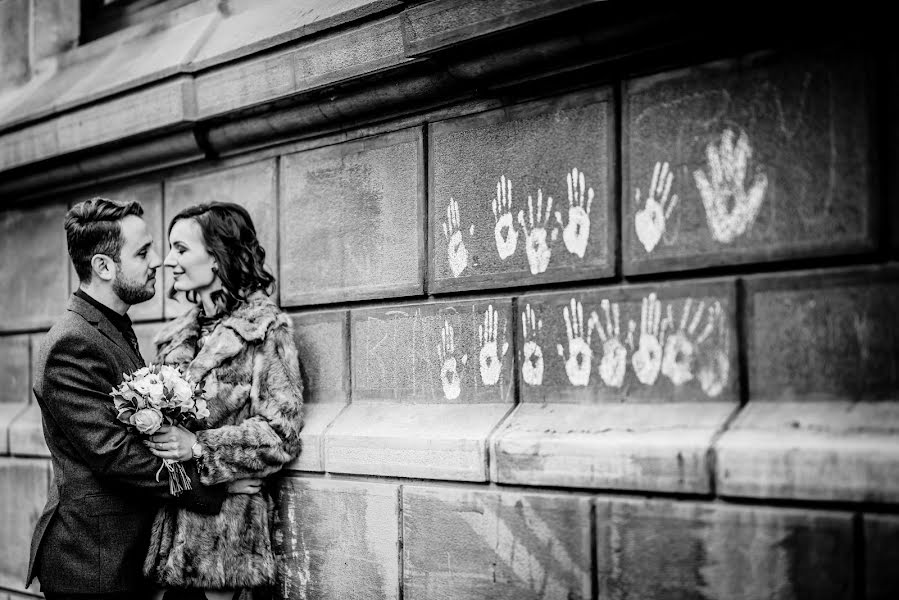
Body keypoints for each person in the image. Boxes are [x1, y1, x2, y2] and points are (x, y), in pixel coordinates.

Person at [28, 197, 257, 600]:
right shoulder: (71, 343)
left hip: (128, 558)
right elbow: (117, 455)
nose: (159, 261)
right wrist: (216, 485)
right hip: (94, 566)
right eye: (143, 252)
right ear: (103, 267)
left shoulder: (111, 328)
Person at [141, 202, 304, 600]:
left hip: (226, 550)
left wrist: (200, 447)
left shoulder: (264, 330)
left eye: (180, 249)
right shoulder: (172, 338)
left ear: (215, 257)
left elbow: (282, 433)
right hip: (169, 542)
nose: (167, 261)